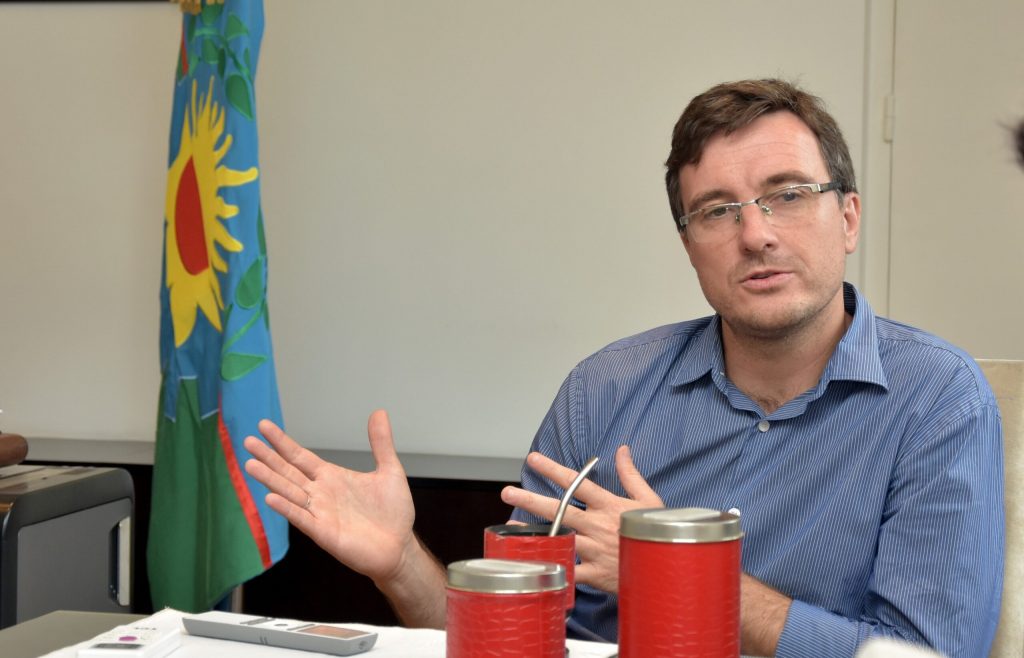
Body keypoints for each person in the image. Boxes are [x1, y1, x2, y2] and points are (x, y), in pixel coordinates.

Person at [243, 79, 1004, 657]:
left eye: (788, 195)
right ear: (689, 245)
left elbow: (926, 655)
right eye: (717, 210)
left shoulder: (938, 398)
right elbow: (512, 640)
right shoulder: (606, 390)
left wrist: (680, 572)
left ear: (848, 217)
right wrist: (400, 562)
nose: (756, 234)